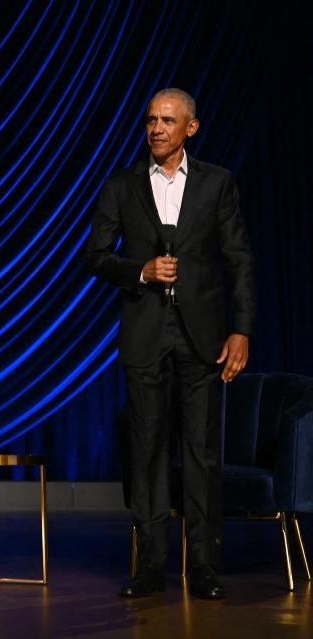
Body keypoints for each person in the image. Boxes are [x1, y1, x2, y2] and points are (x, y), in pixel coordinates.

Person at [85, 89, 255, 599]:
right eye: (150, 120)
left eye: (167, 120)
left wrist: (241, 329)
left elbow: (240, 259)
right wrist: (139, 270)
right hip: (145, 333)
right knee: (147, 450)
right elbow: (95, 255)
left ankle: (203, 565)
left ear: (190, 128)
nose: (156, 128)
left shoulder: (217, 183)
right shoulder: (122, 185)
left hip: (203, 337)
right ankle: (151, 565)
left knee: (201, 453)